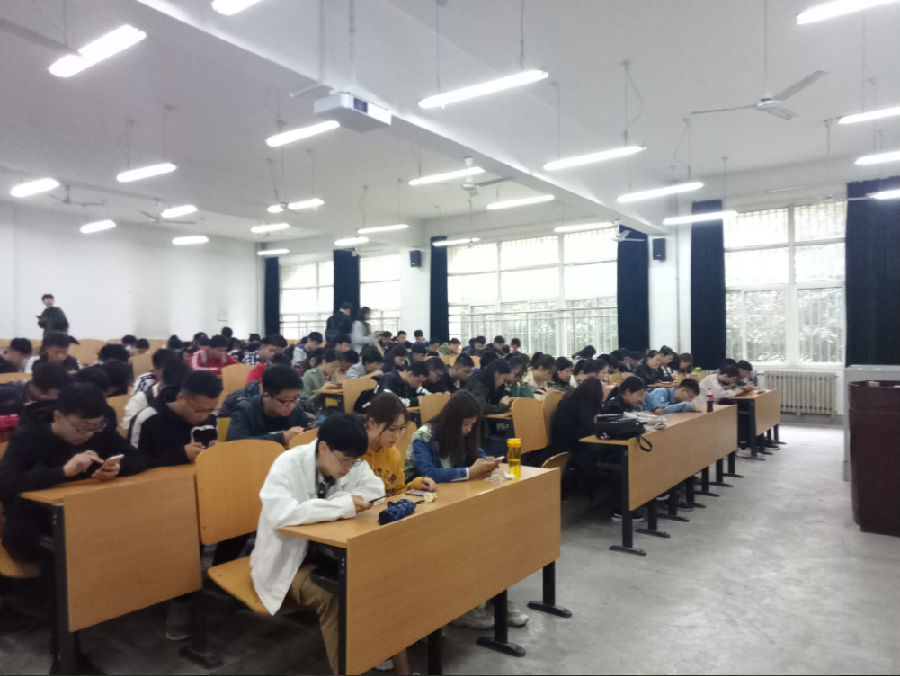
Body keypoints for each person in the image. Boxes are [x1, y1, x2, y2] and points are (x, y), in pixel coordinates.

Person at [250, 413, 383, 675]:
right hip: (290, 563)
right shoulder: (289, 464)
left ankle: (371, 651)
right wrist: (340, 505)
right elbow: (281, 514)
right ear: (323, 447)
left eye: (354, 462)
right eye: (344, 460)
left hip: (329, 554)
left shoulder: (350, 460)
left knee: (375, 578)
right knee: (335, 595)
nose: (348, 468)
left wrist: (336, 503)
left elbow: (376, 490)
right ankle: (346, 669)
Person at [407, 390, 526, 630]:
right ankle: (465, 607)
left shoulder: (465, 434)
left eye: (472, 425)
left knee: (494, 538)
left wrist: (485, 461)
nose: (468, 430)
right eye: (465, 424)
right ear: (452, 420)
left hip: (455, 502)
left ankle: (497, 599)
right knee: (470, 543)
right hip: (425, 508)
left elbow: (475, 454)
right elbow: (430, 473)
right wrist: (470, 472)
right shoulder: (424, 436)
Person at [0, 383, 145, 562]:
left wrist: (117, 468)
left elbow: (139, 458)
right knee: (71, 551)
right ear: (57, 417)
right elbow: (6, 482)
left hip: (86, 512)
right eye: (79, 427)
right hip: (36, 519)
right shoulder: (28, 436)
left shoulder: (101, 430)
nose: (88, 434)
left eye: (94, 427)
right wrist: (62, 472)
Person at [133, 371, 221, 468]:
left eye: (210, 410)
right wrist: (180, 455)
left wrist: (216, 451)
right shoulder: (148, 419)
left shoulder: (211, 416)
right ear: (180, 398)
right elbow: (133, 464)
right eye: (198, 411)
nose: (204, 417)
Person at [227, 365, 313, 446]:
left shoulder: (295, 409)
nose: (291, 406)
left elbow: (309, 424)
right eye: (285, 401)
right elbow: (235, 443)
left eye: (295, 399)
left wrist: (312, 428)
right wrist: (282, 438)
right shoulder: (245, 410)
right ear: (266, 395)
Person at [123, 359, 191, 435]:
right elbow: (128, 431)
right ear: (162, 385)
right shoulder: (140, 400)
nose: (178, 399)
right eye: (174, 395)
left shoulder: (189, 401)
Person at [0, 362, 69, 415]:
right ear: (44, 391)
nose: (59, 398)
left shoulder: (37, 400)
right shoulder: (8, 397)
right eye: (57, 395)